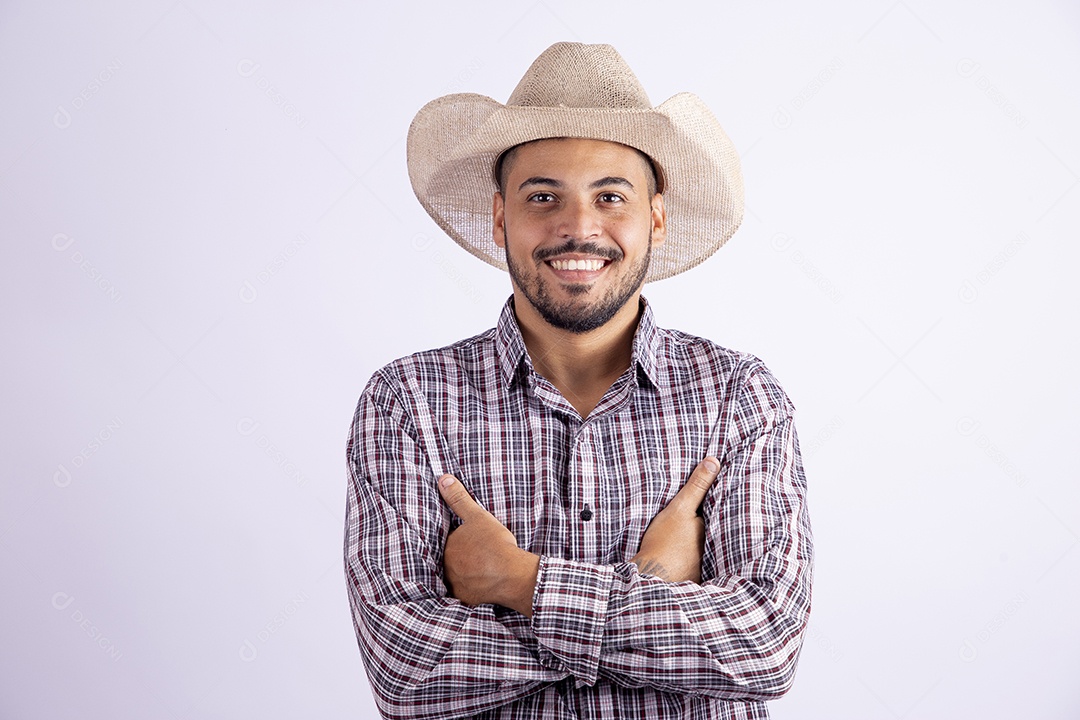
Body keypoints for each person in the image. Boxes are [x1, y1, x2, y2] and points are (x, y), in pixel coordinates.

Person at [344, 42, 813, 720]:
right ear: (501, 214)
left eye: (610, 196)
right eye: (543, 197)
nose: (578, 228)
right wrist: (650, 593)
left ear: (655, 216)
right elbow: (405, 669)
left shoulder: (740, 398)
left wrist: (520, 582)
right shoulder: (408, 402)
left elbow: (763, 647)